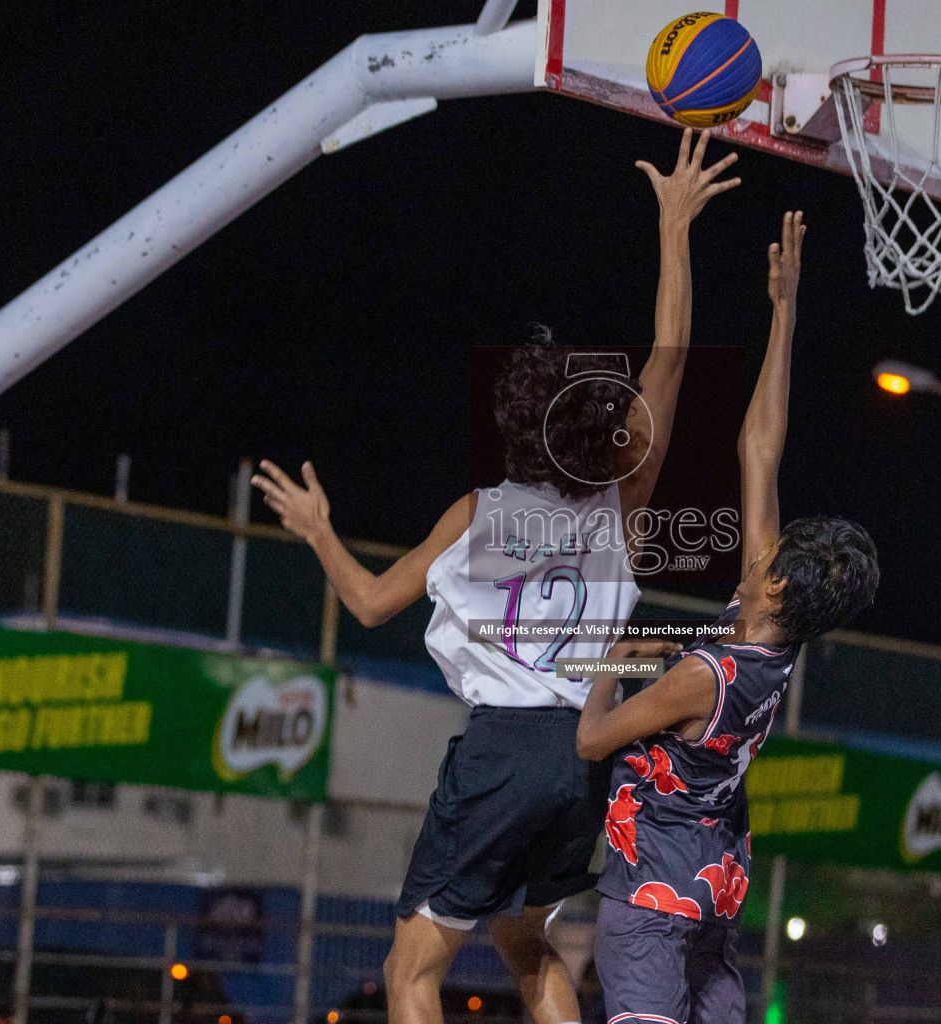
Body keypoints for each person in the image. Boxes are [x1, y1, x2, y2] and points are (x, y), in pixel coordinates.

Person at [250, 128, 740, 1024]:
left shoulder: (477, 514)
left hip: (505, 748)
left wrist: (319, 532)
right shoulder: (626, 504)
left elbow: (364, 604)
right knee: (525, 943)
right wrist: (675, 227)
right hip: (584, 752)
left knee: (410, 971)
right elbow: (670, 357)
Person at [576, 211, 880, 1024]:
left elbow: (592, 739)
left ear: (777, 587)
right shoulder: (771, 649)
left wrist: (616, 657)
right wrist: (784, 310)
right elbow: (761, 448)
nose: (762, 550)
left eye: (772, 559)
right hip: (711, 900)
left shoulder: (702, 675)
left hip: (649, 906)